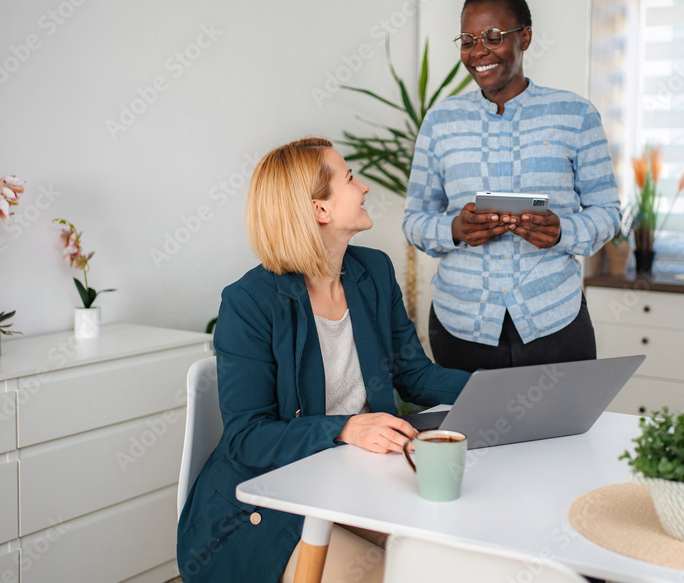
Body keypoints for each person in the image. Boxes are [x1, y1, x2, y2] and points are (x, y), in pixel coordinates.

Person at [177, 137, 470, 583]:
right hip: (263, 505)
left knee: (452, 559)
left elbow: (415, 375)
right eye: (350, 178)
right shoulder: (249, 302)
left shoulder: (373, 271)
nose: (365, 187)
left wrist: (508, 390)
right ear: (320, 210)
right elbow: (247, 437)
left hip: (354, 484)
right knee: (393, 574)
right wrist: (346, 428)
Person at [403, 0, 620, 371]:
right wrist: (455, 229)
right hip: (461, 324)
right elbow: (413, 219)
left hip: (554, 320)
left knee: (564, 430)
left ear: (525, 37)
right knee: (469, 432)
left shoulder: (576, 115)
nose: (478, 51)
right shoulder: (440, 122)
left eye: (492, 36)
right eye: (467, 40)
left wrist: (561, 233)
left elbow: (608, 212)